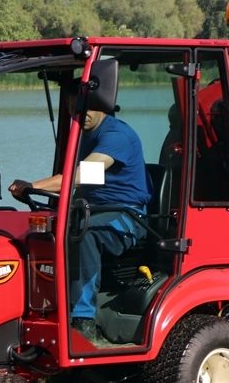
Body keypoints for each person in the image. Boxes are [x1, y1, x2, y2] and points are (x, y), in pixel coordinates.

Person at [9, 82, 151, 342]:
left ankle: (83, 320)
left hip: (128, 215)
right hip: (91, 210)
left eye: (85, 107)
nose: (80, 112)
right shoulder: (83, 137)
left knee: (86, 234)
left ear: (102, 103)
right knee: (37, 234)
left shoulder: (116, 136)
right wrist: (34, 191)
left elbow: (83, 174)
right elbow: (82, 178)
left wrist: (33, 185)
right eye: (74, 107)